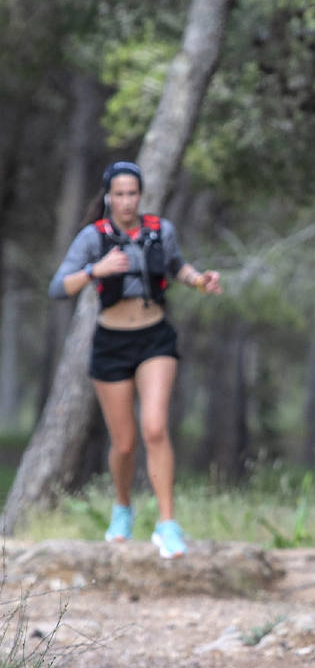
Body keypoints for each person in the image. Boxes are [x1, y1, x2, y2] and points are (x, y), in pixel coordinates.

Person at [49, 159, 221, 557]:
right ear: (108, 197)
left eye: (133, 194)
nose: (126, 202)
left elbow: (176, 266)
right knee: (124, 444)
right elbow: (59, 287)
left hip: (155, 338)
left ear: (141, 195)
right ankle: (123, 509)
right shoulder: (94, 237)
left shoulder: (161, 231)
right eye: (119, 194)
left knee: (155, 428)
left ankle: (167, 524)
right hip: (111, 342)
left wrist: (199, 280)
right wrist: (97, 269)